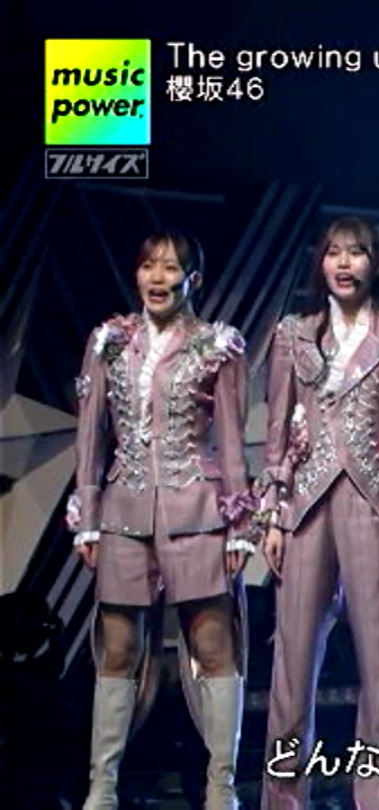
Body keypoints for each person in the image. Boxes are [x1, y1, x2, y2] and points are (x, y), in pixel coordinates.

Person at [69, 231, 253, 810]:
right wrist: (88, 517)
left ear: (192, 280)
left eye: (170, 268)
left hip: (197, 511)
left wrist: (239, 526)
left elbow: (231, 442)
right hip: (124, 512)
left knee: (212, 645)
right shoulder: (109, 342)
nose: (157, 277)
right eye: (148, 265)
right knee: (118, 649)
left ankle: (220, 785)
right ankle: (103, 785)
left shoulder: (217, 346)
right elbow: (91, 435)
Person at [258, 217, 379, 809]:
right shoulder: (294, 335)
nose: (342, 263)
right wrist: (274, 513)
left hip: (375, 504)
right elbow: (278, 433)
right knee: (291, 665)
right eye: (333, 252)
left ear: (376, 263)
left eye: (355, 252)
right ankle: (283, 799)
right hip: (306, 507)